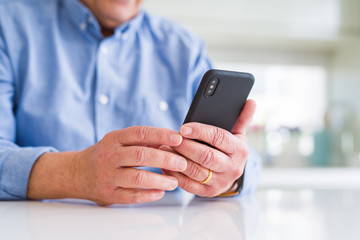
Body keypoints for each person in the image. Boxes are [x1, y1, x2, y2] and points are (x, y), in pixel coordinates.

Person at [0, 0, 261, 205]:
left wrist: (227, 175)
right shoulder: (8, 24)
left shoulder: (185, 48)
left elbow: (247, 161)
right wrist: (75, 174)